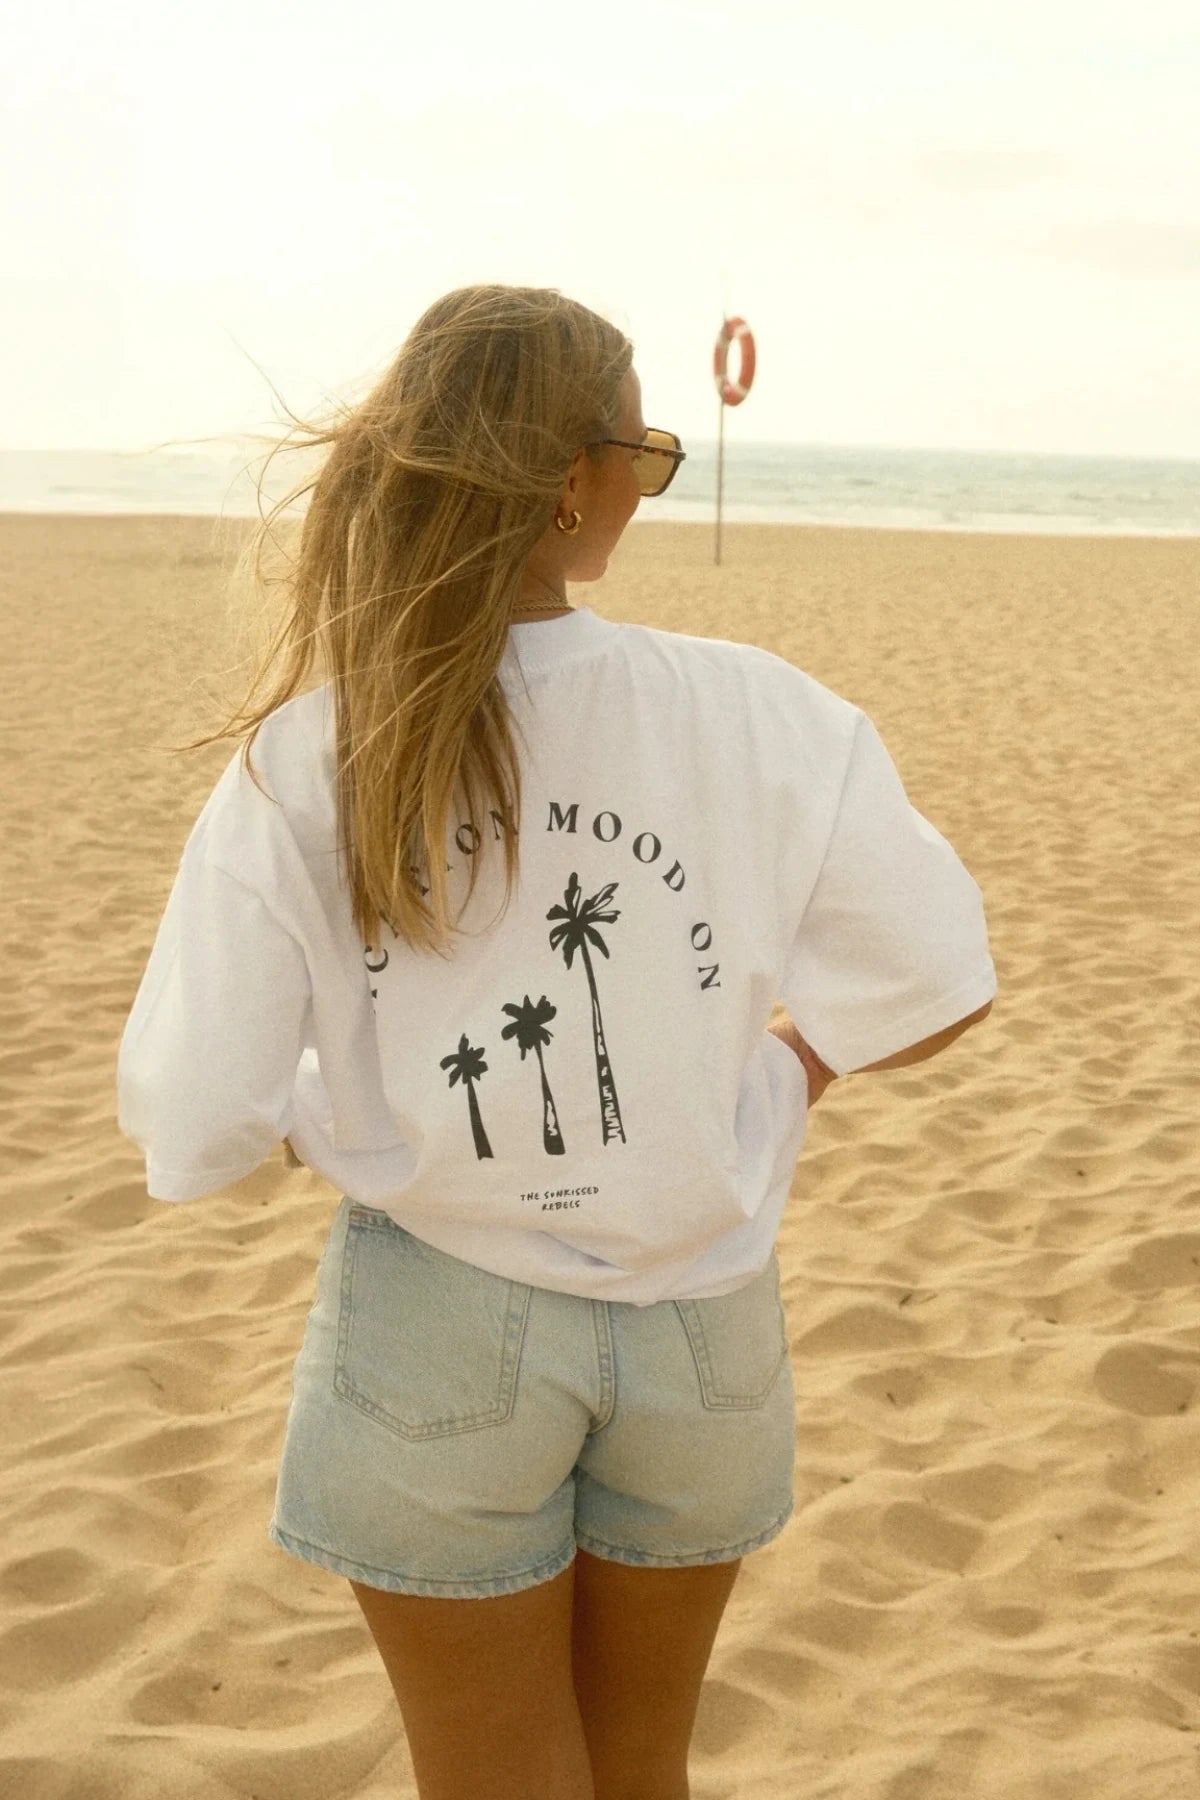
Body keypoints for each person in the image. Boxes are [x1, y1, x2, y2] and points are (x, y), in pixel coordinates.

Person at [116, 284, 996, 1800]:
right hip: (705, 1319)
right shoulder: (764, 715)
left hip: (439, 1316)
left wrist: (328, 1113)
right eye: (641, 460)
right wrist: (790, 1070)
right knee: (640, 1767)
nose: (644, 493)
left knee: (495, 1775)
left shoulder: (317, 747)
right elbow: (940, 976)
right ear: (576, 483)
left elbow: (195, 1115)